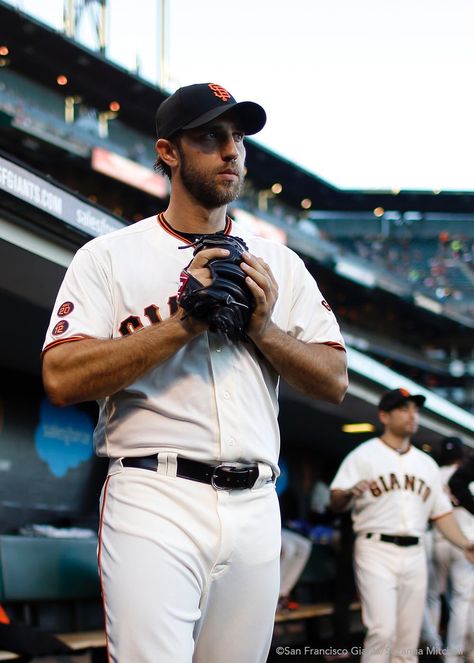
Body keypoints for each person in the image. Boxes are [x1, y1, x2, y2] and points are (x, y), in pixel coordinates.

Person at [41, 82, 348, 663]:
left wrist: (264, 330)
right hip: (154, 493)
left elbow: (334, 380)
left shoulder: (279, 264)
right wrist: (183, 323)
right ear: (168, 152)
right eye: (210, 137)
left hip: (257, 505)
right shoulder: (108, 257)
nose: (232, 150)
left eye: (237, 138)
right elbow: (60, 378)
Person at [329, 388, 474, 663]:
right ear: (384, 415)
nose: (412, 415)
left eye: (415, 410)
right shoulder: (364, 455)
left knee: (408, 640)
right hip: (375, 548)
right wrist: (349, 493)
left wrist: (465, 543)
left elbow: (441, 514)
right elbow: (335, 501)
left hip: (415, 551)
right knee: (382, 631)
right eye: (404, 409)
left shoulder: (426, 464)